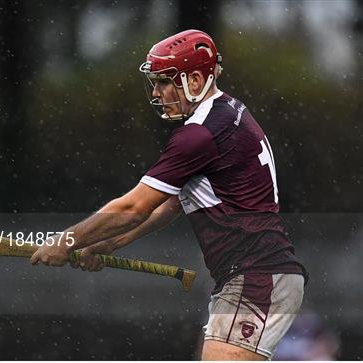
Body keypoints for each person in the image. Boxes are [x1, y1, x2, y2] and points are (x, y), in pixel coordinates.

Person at [30, 29, 308, 360]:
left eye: (165, 82)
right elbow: (172, 204)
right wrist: (106, 244)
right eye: (155, 83)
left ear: (195, 80)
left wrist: (67, 240)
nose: (157, 92)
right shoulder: (229, 112)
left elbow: (134, 205)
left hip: (255, 278)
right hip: (259, 276)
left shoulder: (199, 135)